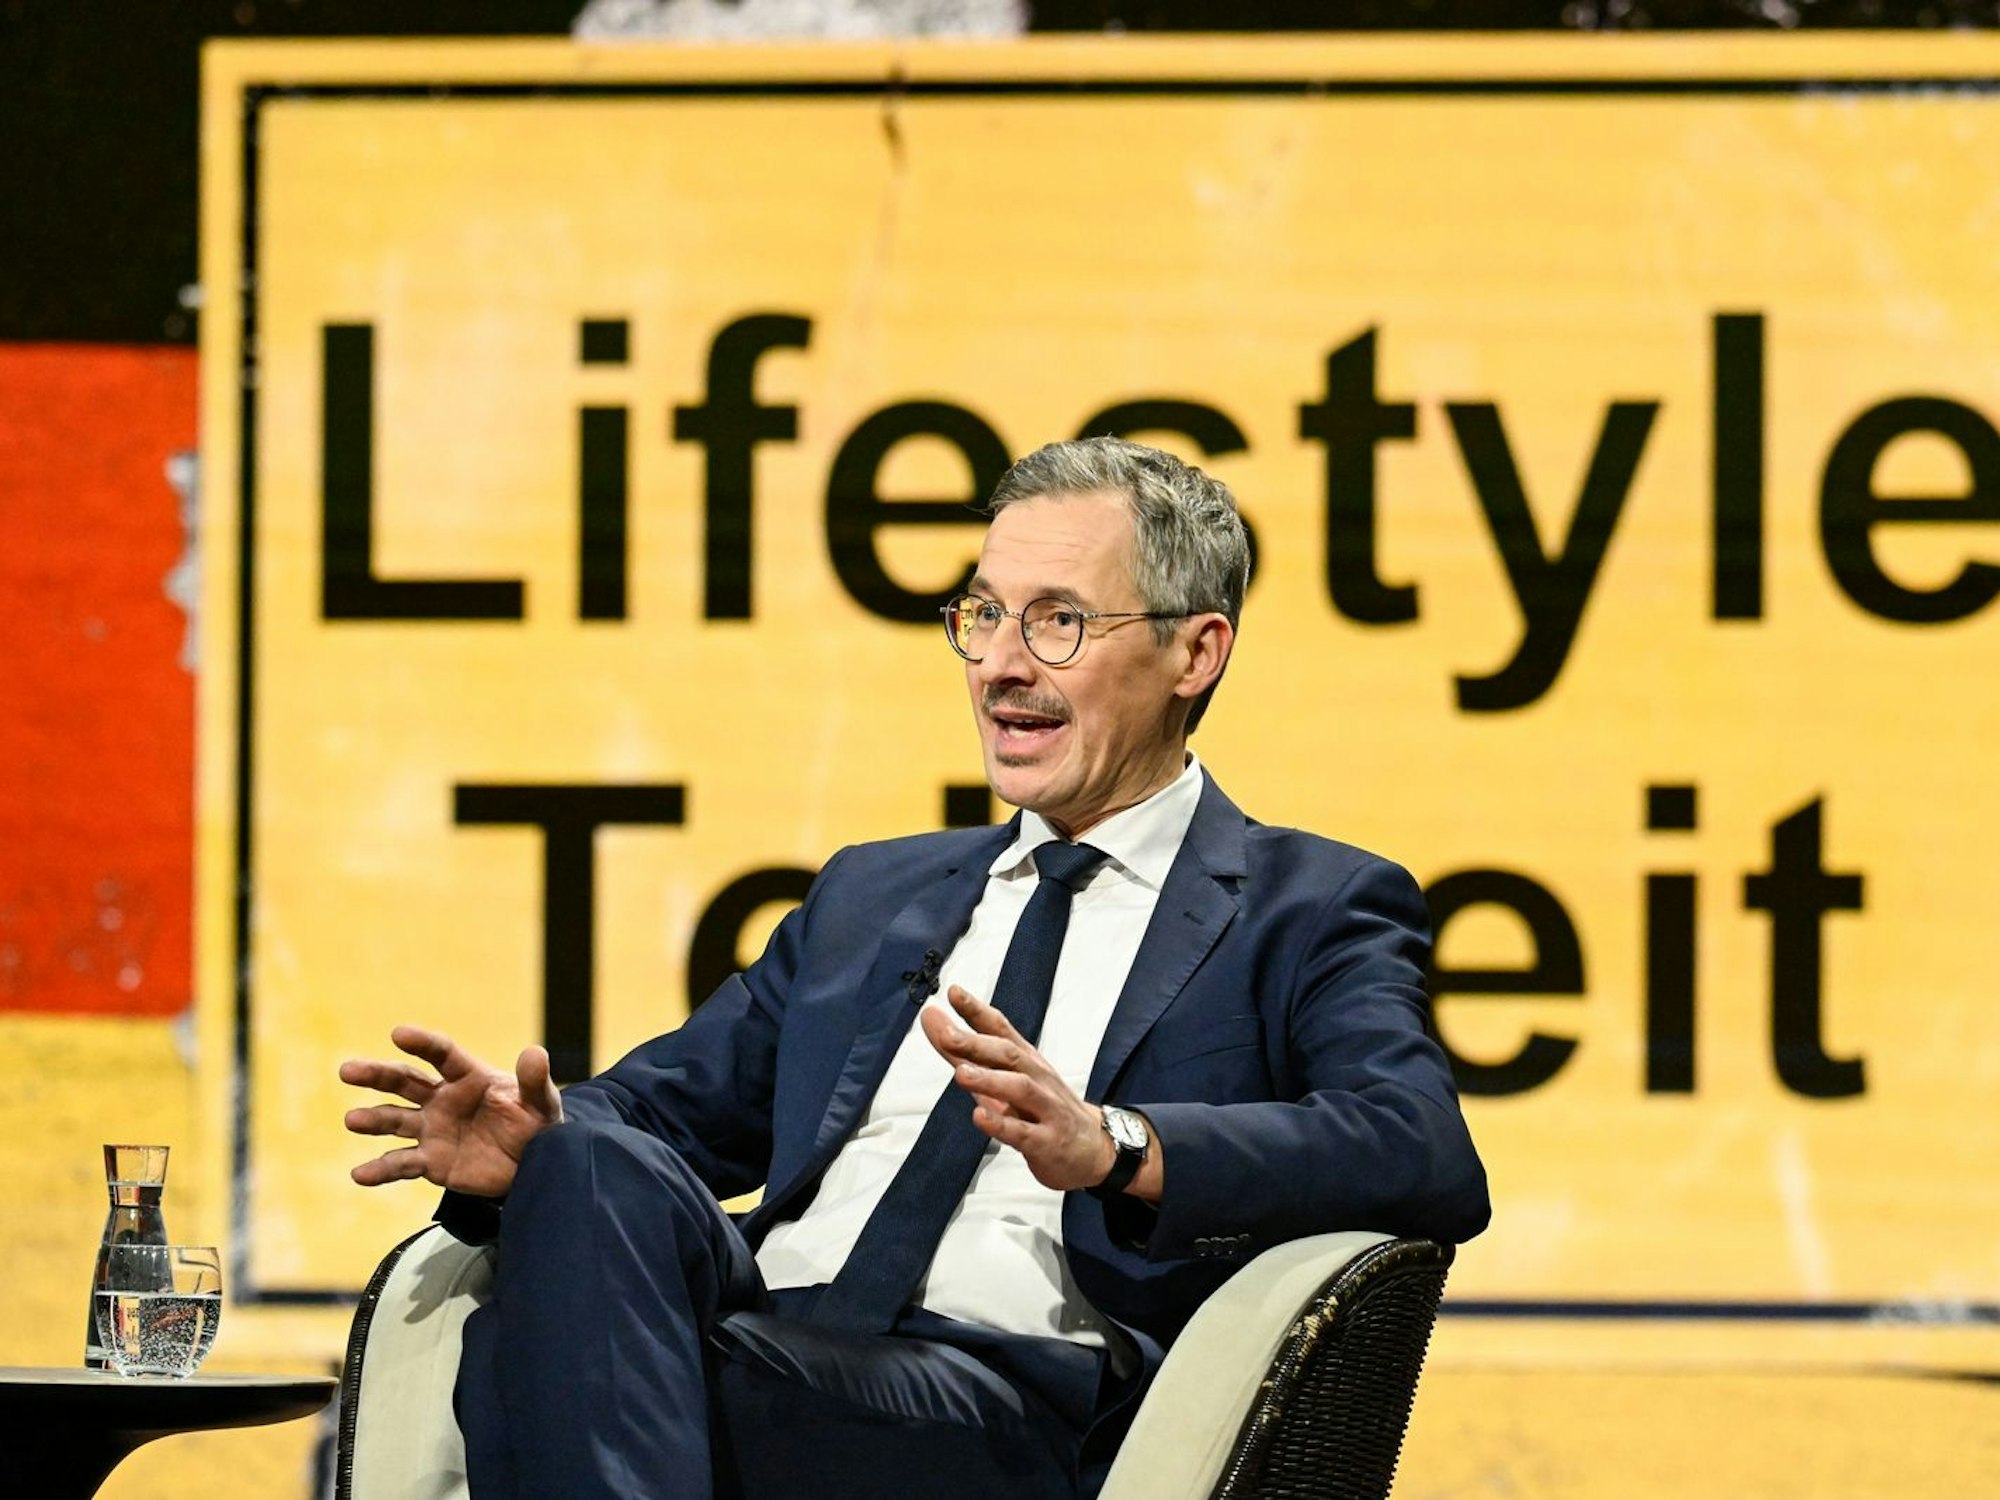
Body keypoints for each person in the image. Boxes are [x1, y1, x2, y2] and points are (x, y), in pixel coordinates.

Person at [341, 436, 1489, 1500]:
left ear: (1195, 650)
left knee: (546, 1371)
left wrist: (1114, 1146)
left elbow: (1419, 1150)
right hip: (772, 1333)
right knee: (588, 1163)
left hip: (1006, 1396)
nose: (997, 666)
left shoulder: (1308, 906)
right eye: (982, 615)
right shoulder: (871, 896)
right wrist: (526, 1150)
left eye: (1057, 623)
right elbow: (659, 1114)